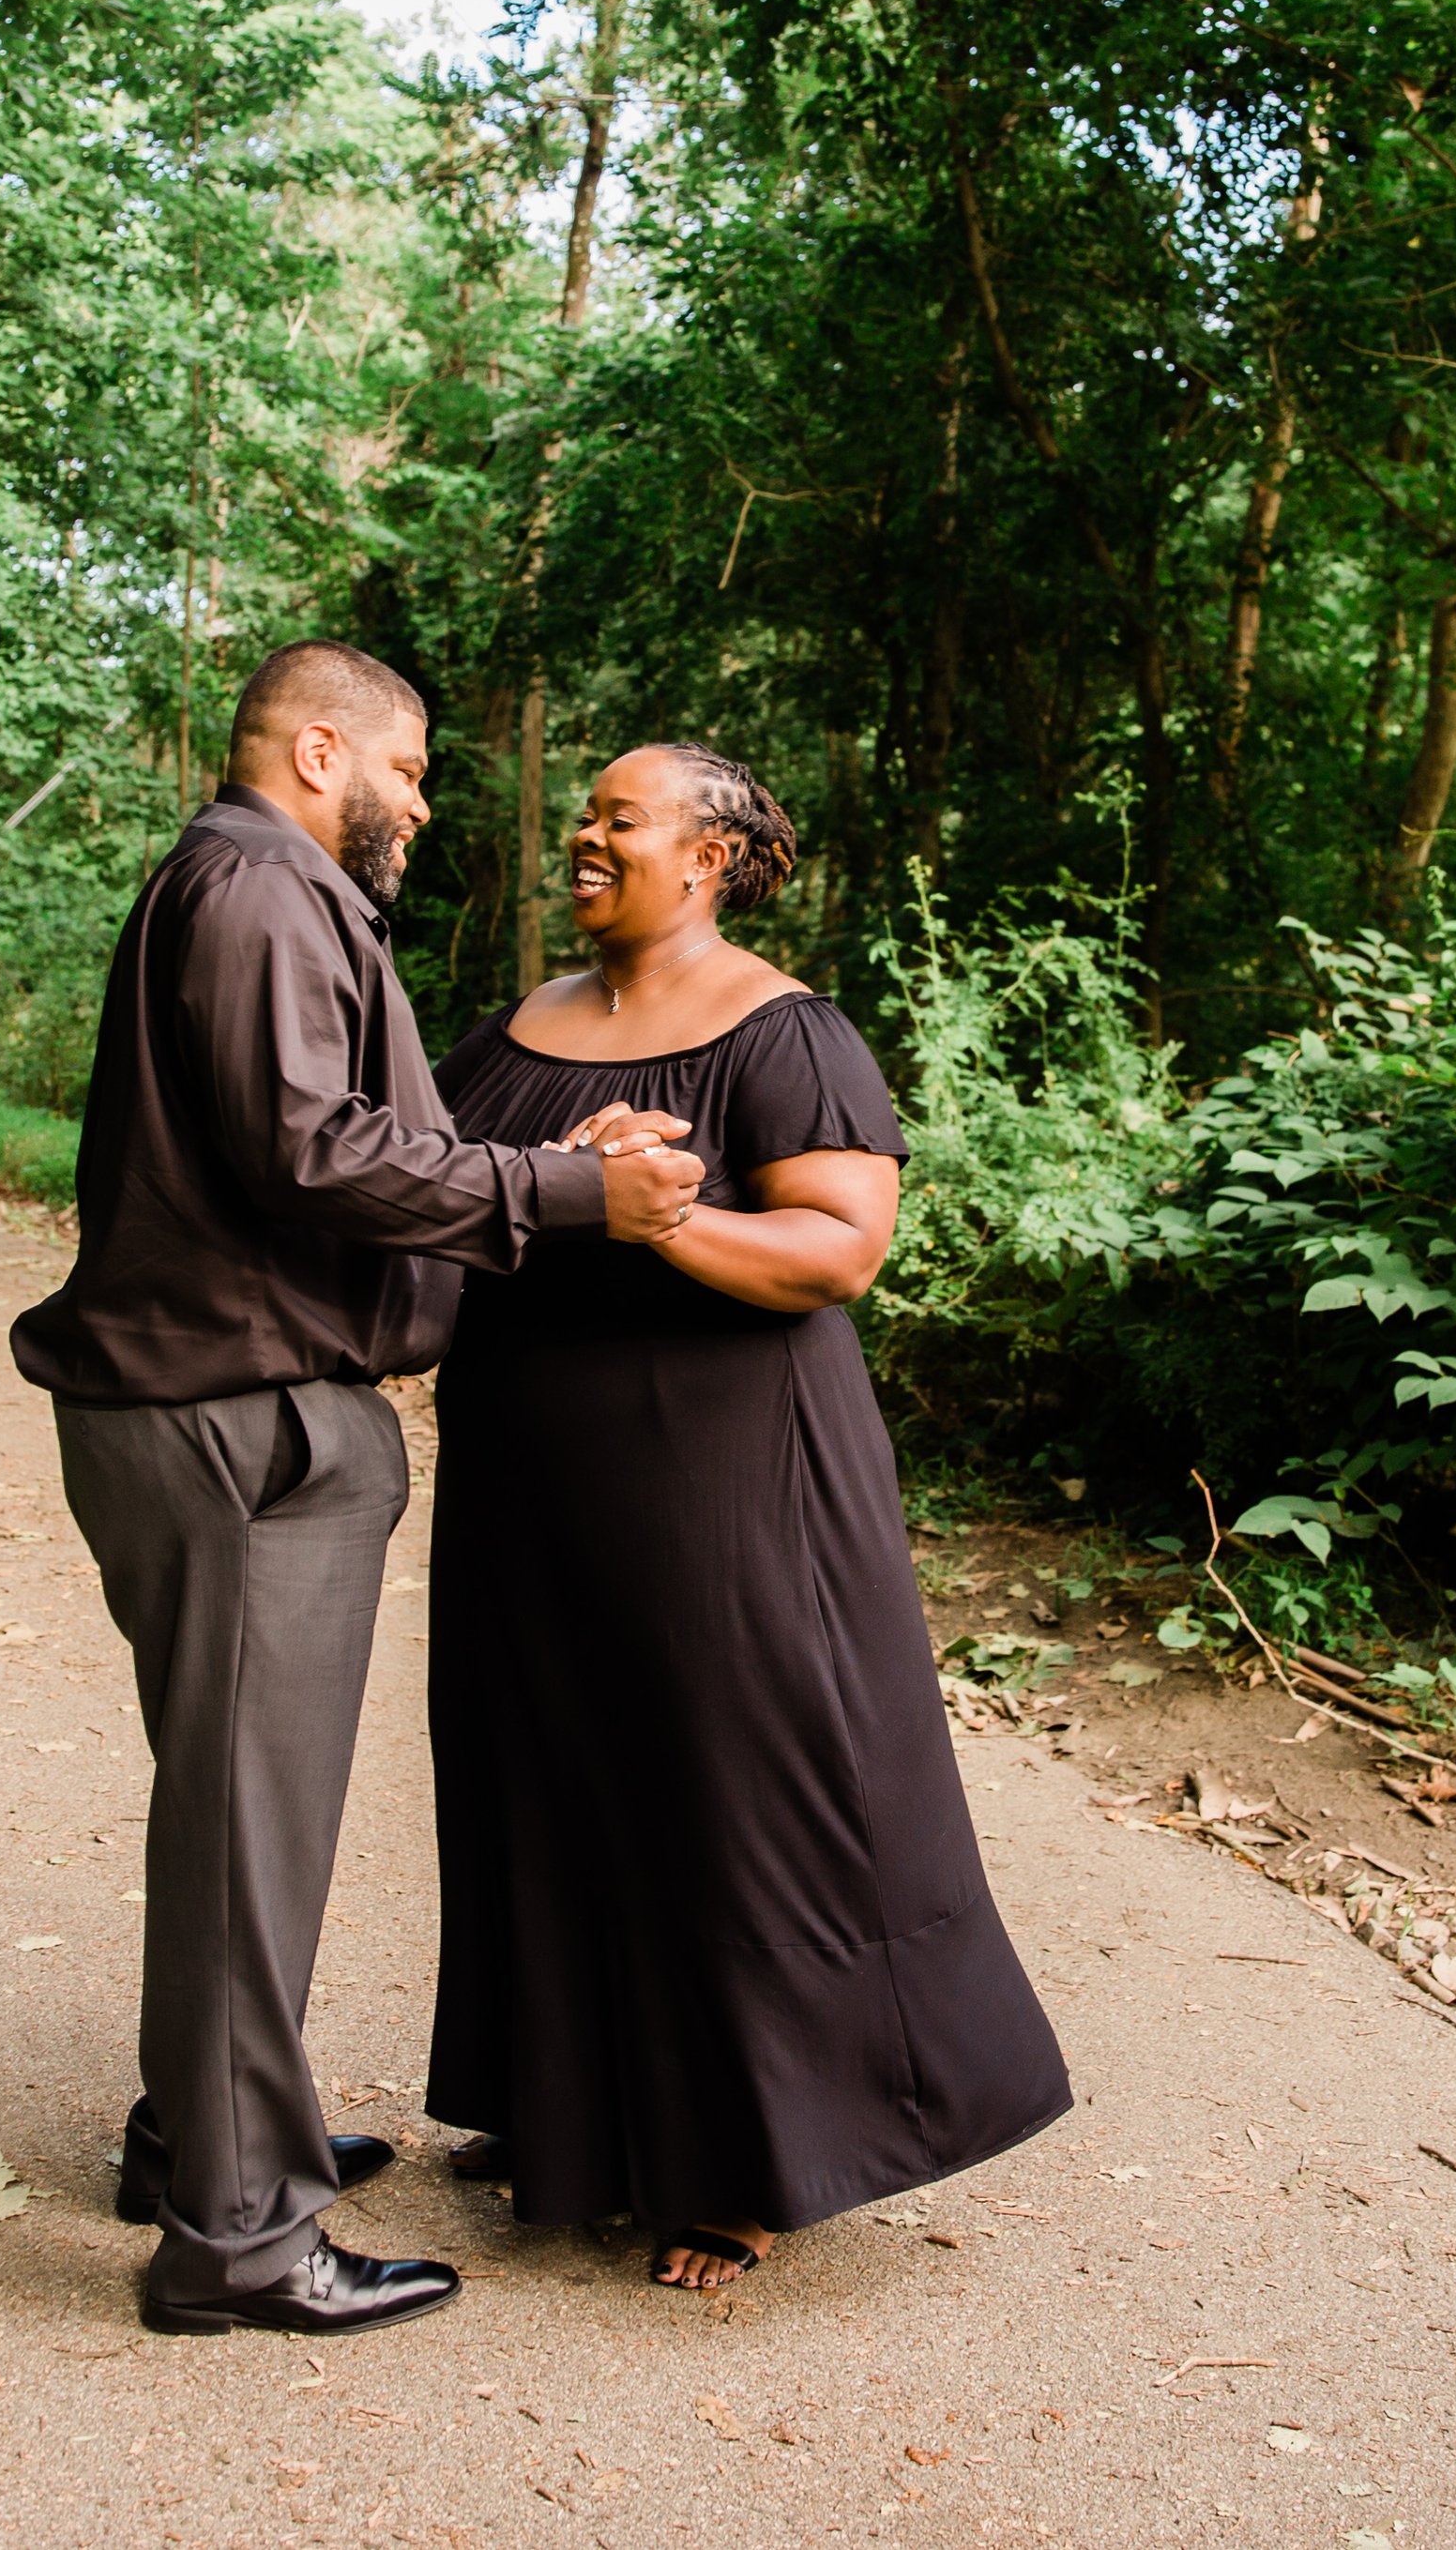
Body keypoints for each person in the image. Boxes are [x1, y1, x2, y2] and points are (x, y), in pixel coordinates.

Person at [9, 643, 705, 2337]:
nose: (419, 804)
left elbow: (334, 1132)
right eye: (406, 773)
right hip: (235, 1416)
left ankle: (201, 2137)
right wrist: (566, 1192)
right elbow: (310, 1148)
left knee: (241, 1812)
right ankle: (239, 2242)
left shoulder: (258, 887)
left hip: (229, 1404)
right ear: (325, 750)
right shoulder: (259, 889)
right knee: (251, 1826)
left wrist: (532, 1172)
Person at [425, 741, 1070, 2290]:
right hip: (526, 1485)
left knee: (723, 1789)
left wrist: (656, 1213)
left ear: (708, 857)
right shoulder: (516, 1031)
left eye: (620, 819)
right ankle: (561, 2112)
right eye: (584, 813)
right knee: (543, 1773)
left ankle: (747, 2159)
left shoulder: (786, 1030)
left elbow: (841, 1250)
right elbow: (437, 1193)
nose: (586, 834)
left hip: (724, 1487)